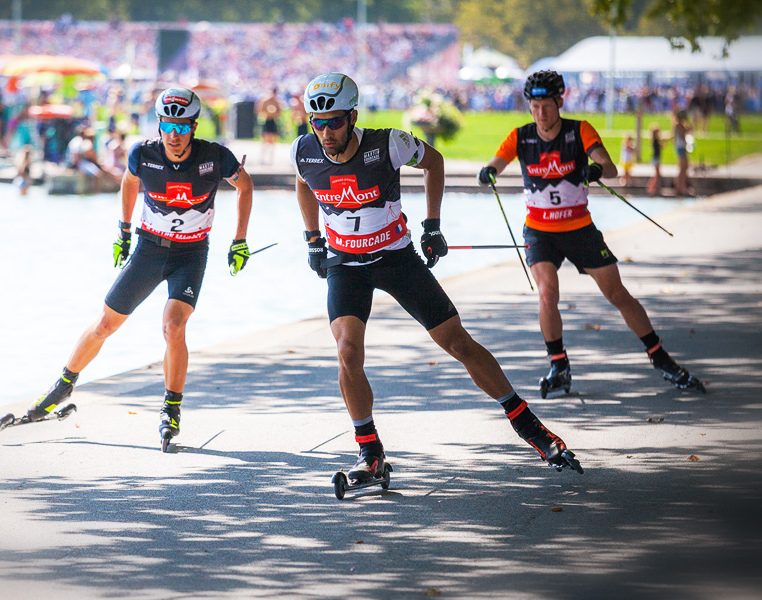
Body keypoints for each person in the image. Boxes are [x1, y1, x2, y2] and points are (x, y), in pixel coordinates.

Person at [294, 72, 583, 482]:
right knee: (347, 351)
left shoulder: (388, 143)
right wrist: (312, 240)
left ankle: (530, 427)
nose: (325, 132)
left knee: (457, 342)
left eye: (334, 122)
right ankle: (370, 452)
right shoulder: (303, 150)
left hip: (395, 259)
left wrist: (432, 225)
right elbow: (303, 183)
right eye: (317, 123)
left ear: (352, 117)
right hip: (345, 265)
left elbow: (434, 162)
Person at [15, 88, 255, 442]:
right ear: (159, 125)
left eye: (182, 127)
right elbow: (129, 182)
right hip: (149, 251)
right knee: (105, 324)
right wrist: (123, 231)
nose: (174, 135)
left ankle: (171, 409)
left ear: (193, 126)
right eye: (168, 126)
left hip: (190, 254)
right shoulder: (143, 154)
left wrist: (240, 240)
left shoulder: (215, 157)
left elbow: (245, 186)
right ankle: (63, 385)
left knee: (173, 326)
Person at [477, 70, 705, 396]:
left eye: (546, 106)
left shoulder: (578, 130)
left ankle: (661, 359)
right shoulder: (521, 136)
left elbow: (610, 167)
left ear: (560, 102)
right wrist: (488, 172)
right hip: (540, 231)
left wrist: (595, 168)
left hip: (579, 229)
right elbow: (496, 163)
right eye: (535, 107)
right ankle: (559, 366)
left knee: (617, 294)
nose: (541, 114)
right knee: (547, 293)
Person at [256, 87, 283, 165]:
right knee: (265, 140)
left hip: (273, 121)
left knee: (273, 141)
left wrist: (274, 112)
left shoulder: (277, 101)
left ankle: (270, 159)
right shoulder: (265, 100)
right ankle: (262, 158)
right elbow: (259, 111)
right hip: (267, 121)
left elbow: (279, 113)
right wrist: (268, 112)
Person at [672, 109, 692, 196]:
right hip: (681, 148)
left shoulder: (679, 125)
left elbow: (690, 129)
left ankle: (682, 187)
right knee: (682, 169)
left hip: (682, 147)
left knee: (685, 168)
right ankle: (678, 188)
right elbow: (685, 132)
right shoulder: (678, 125)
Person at [646, 124, 665, 195]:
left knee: (657, 174)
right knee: (656, 175)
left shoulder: (655, 140)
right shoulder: (655, 140)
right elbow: (660, 147)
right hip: (656, 158)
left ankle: (654, 188)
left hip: (656, 158)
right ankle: (651, 188)